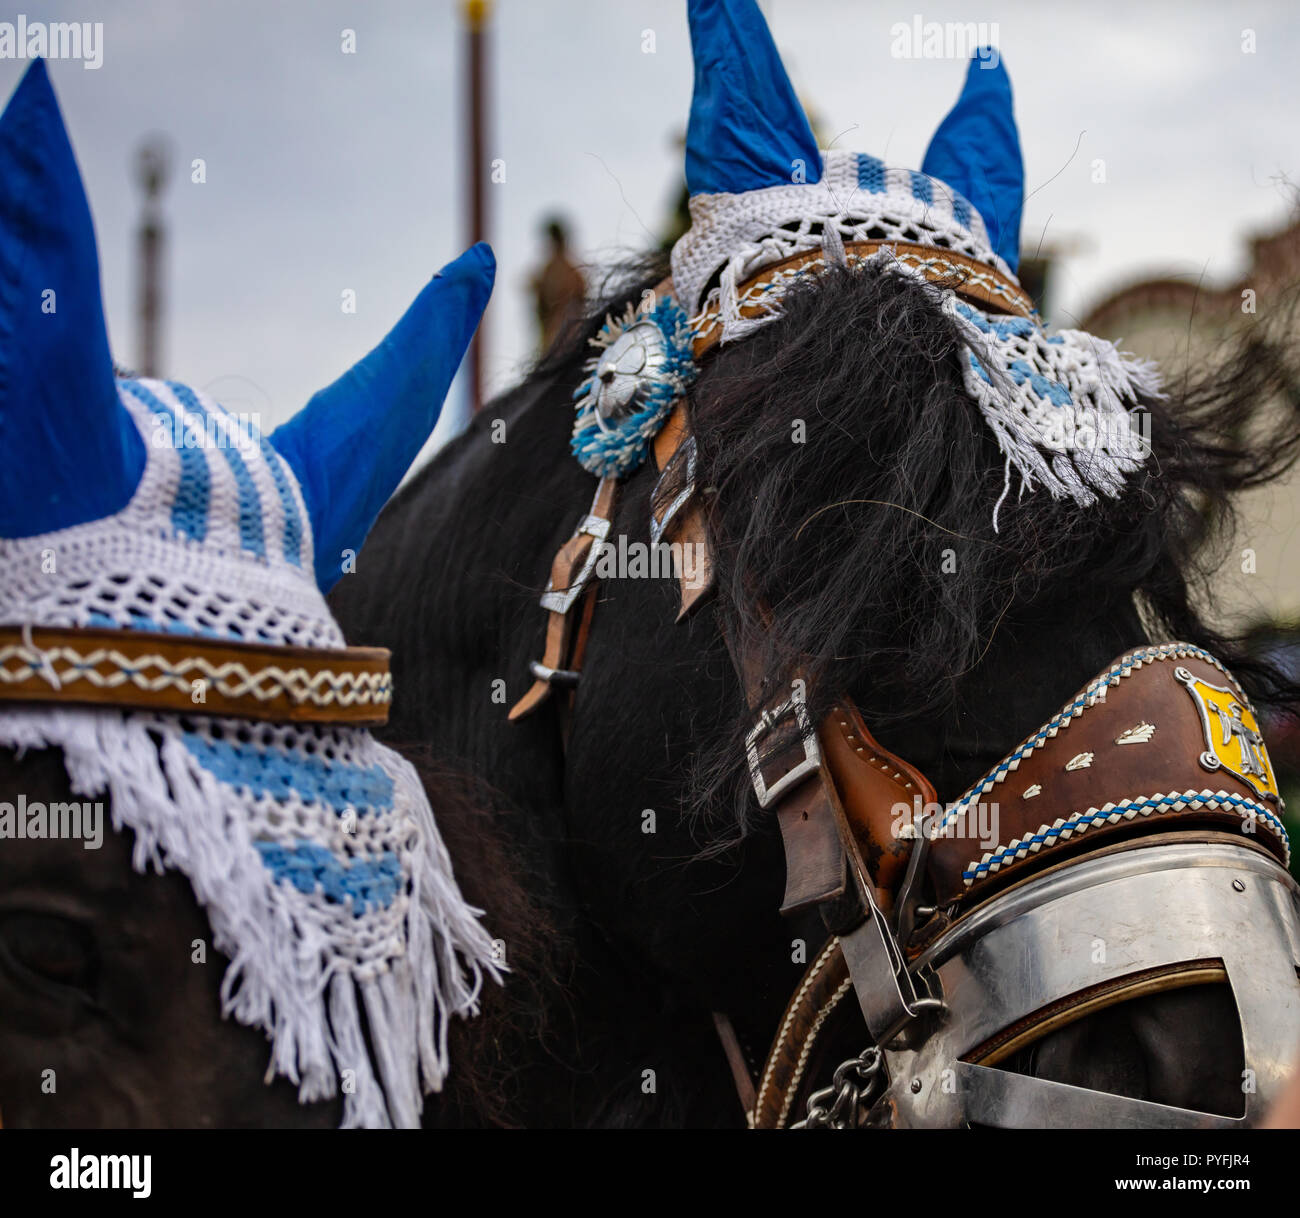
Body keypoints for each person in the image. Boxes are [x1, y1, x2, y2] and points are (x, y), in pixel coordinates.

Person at [531, 216, 585, 351]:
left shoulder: (569, 270)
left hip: (566, 336)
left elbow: (580, 298)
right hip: (552, 337)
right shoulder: (549, 269)